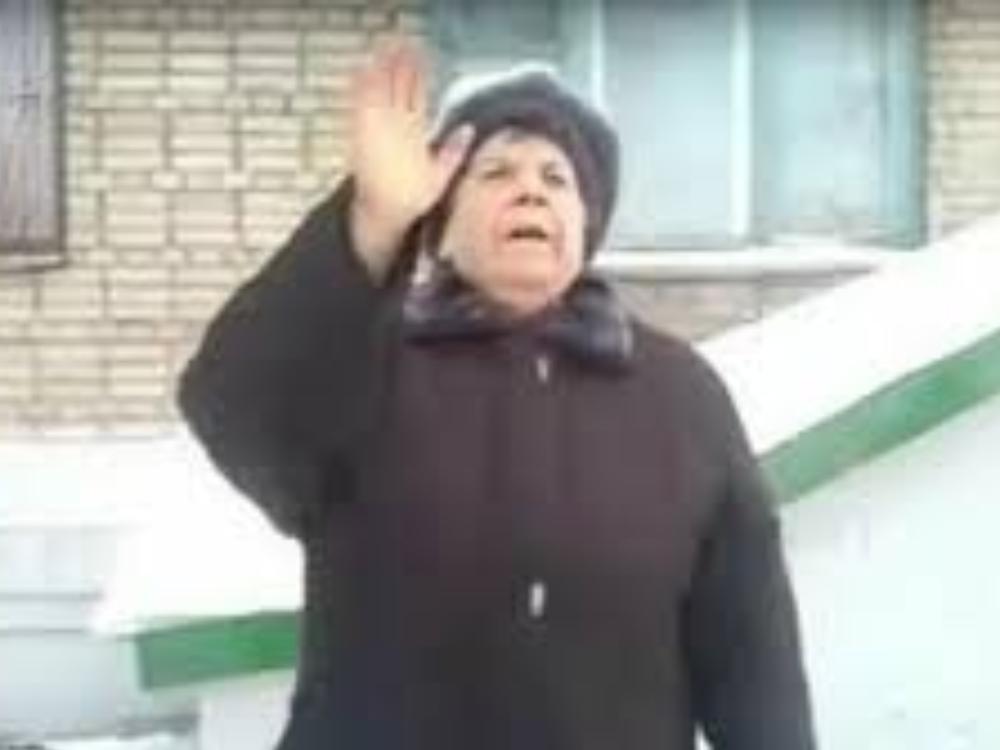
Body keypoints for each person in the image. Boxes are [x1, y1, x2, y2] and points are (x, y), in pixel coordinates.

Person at [178, 36, 816, 750]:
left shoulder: (681, 392)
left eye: (557, 177)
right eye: (496, 171)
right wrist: (373, 222)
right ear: (442, 229)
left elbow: (753, 652)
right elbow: (233, 402)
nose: (532, 189)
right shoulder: (362, 362)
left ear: (585, 228)